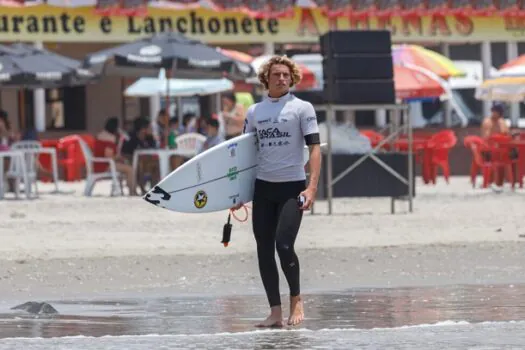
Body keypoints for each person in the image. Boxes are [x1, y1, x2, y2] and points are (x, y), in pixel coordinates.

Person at [231, 55, 322, 328]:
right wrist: (237, 193)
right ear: (266, 80)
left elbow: (315, 148)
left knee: (283, 244)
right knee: (263, 249)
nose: (282, 79)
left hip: (292, 187)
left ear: (291, 78)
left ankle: (296, 298)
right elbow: (246, 154)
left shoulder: (302, 108)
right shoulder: (255, 112)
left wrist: (312, 187)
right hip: (263, 187)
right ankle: (275, 312)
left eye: (286, 75)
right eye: (276, 75)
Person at [94, 116, 137, 196]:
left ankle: (128, 190)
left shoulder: (102, 135)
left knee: (125, 166)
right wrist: (119, 157)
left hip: (100, 164)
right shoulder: (109, 138)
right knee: (130, 169)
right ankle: (132, 191)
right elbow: (109, 157)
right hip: (104, 166)